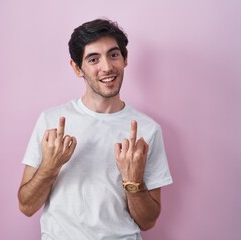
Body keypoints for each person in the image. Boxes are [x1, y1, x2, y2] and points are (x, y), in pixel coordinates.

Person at [18, 18, 173, 240]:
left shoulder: (148, 130)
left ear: (125, 58)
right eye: (93, 59)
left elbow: (148, 222)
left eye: (113, 54)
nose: (107, 67)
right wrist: (50, 167)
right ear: (76, 67)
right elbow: (26, 206)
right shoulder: (50, 121)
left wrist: (133, 181)